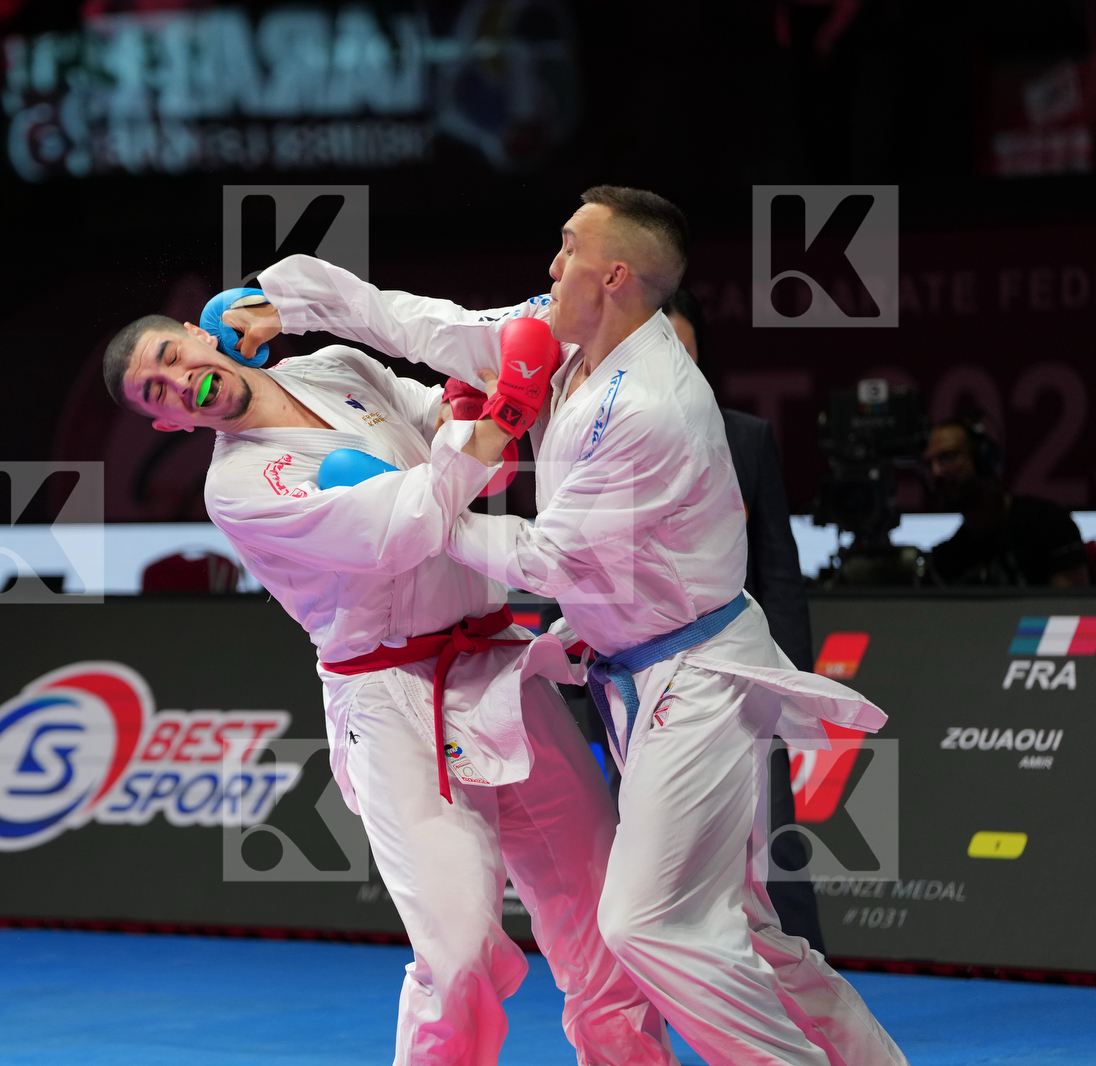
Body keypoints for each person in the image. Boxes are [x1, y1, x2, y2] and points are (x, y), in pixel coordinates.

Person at [225, 185, 907, 1066]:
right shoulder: (566, 334)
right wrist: (296, 299)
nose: (550, 267)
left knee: (646, 927)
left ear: (614, 273)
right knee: (741, 929)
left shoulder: (644, 406)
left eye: (567, 248)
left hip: (692, 679)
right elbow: (434, 327)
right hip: (631, 670)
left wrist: (424, 498)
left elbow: (552, 561)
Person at [104, 314, 677, 1065]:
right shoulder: (240, 489)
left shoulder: (338, 368)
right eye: (160, 391)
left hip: (494, 662)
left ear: (198, 334)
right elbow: (402, 527)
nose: (180, 380)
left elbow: (438, 421)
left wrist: (471, 413)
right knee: (459, 951)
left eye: (171, 357)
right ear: (168, 422)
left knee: (599, 916)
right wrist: (497, 423)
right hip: (390, 694)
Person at [664, 287, 826, 954]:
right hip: (645, 693)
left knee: (772, 854)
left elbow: (779, 577)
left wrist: (788, 682)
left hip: (740, 679)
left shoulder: (747, 439)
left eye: (680, 347)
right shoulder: (589, 445)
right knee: (653, 869)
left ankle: (811, 997)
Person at [923, 420, 1088, 587]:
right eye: (930, 464)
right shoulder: (946, 559)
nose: (936, 473)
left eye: (948, 458)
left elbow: (1070, 610)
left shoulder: (1048, 524)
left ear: (984, 459)